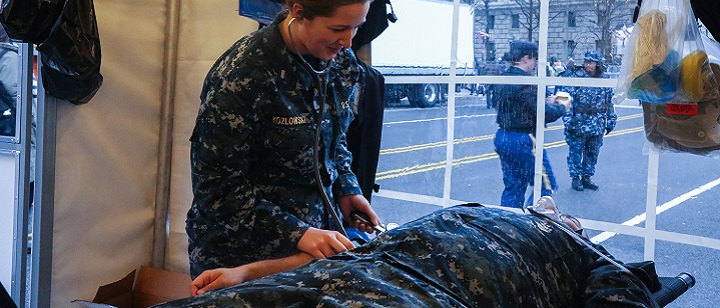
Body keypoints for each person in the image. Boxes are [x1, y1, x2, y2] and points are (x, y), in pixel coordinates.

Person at [186, 0, 382, 280]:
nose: (348, 42)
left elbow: (335, 140)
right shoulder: (242, 76)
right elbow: (217, 192)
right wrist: (298, 234)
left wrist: (347, 188)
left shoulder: (341, 65)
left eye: (356, 27)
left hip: (313, 248)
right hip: (239, 257)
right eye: (338, 28)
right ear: (299, 12)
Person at [160, 204, 660, 307]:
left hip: (426, 298)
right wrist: (247, 273)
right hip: (341, 278)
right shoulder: (463, 211)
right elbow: (346, 252)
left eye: (561, 212)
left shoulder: (582, 251)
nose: (550, 208)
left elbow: (621, 301)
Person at [493, 41, 570, 208]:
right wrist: (562, 106)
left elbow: (516, 105)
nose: (535, 64)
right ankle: (531, 222)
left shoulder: (501, 79)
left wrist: (542, 99)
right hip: (524, 139)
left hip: (503, 136)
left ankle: (508, 225)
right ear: (526, 58)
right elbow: (545, 114)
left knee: (513, 186)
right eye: (535, 59)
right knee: (546, 186)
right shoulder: (526, 83)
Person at [560, 50, 617, 191]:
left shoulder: (604, 80)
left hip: (597, 123)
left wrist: (611, 120)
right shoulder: (576, 78)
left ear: (598, 64)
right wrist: (568, 122)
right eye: (586, 62)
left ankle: (587, 177)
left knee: (592, 152)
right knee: (576, 151)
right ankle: (575, 178)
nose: (588, 65)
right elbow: (566, 99)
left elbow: (609, 102)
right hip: (579, 122)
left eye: (591, 62)